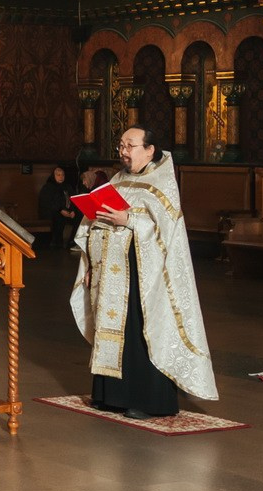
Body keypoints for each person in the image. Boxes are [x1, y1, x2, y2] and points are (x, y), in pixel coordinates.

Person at [72, 127, 218, 418]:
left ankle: (147, 401)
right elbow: (95, 225)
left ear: (150, 150)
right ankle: (110, 395)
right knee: (111, 331)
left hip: (144, 276)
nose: (124, 152)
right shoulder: (117, 180)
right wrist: (90, 265)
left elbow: (168, 233)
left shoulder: (161, 184)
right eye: (121, 146)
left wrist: (129, 220)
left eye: (130, 146)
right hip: (110, 274)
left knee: (140, 333)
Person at [37, 164, 80, 251]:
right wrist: (60, 210)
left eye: (63, 175)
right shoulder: (48, 187)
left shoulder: (67, 186)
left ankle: (72, 242)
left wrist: (73, 210)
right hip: (54, 213)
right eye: (58, 175)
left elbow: (73, 199)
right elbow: (47, 203)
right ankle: (57, 244)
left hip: (67, 212)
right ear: (54, 176)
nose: (61, 177)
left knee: (79, 217)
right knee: (58, 219)